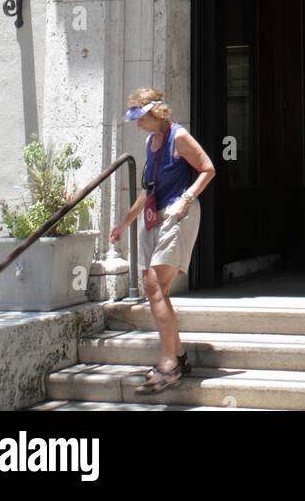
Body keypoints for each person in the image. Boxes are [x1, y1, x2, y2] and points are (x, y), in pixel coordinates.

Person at [110, 88, 215, 395]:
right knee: (155, 289)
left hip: (178, 214)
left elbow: (208, 168)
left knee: (156, 287)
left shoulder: (178, 137)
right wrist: (125, 221)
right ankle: (178, 357)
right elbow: (149, 188)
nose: (137, 123)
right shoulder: (150, 141)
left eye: (139, 117)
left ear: (155, 113)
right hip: (154, 214)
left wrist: (186, 198)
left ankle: (168, 364)